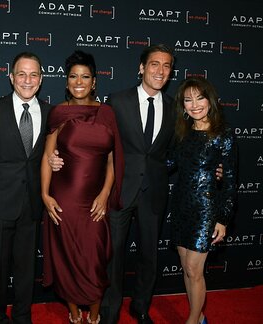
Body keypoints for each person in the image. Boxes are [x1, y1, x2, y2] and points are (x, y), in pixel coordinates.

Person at [49, 44, 176, 324]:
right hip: (119, 190)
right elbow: (92, 136)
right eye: (154, 64)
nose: (160, 70)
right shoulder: (116, 102)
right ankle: (108, 311)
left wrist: (210, 166)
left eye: (166, 66)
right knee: (112, 256)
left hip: (154, 192)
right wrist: (57, 157)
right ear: (142, 67)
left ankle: (140, 307)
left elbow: (177, 149)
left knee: (148, 255)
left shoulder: (174, 106)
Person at [41, 51, 124, 324]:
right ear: (66, 81)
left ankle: (95, 316)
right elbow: (47, 156)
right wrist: (45, 194)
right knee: (68, 260)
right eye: (73, 76)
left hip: (95, 202)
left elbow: (112, 160)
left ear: (94, 82)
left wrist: (105, 194)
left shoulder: (107, 113)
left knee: (95, 261)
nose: (79, 81)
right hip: (64, 200)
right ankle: (75, 314)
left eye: (85, 76)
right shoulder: (59, 113)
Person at [0, 52, 51, 324]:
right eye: (21, 74)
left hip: (33, 203)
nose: (28, 80)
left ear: (41, 79)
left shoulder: (51, 112)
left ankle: (23, 316)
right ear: (11, 77)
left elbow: (54, 154)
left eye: (33, 74)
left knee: (26, 269)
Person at [168, 76, 237, 324]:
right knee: (187, 268)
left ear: (210, 100)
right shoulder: (182, 132)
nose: (194, 104)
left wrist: (222, 219)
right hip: (180, 206)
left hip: (206, 209)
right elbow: (167, 164)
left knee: (195, 271)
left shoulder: (223, 134)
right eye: (188, 100)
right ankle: (199, 317)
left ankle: (193, 320)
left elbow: (229, 179)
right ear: (183, 105)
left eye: (200, 98)